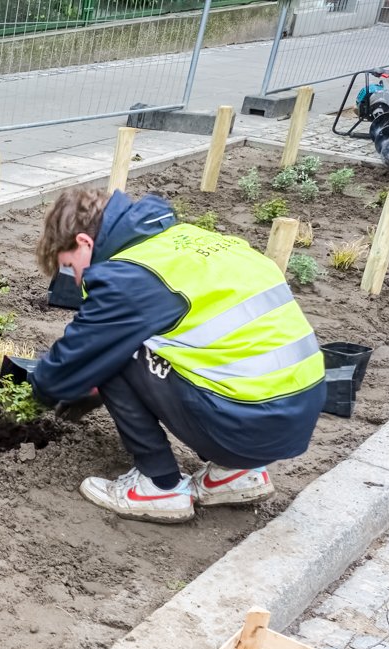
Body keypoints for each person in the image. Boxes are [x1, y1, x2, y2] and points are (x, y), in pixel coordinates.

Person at [30, 187, 325, 524]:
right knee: (147, 343)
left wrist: (40, 392)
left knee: (113, 352)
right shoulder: (183, 239)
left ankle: (158, 486)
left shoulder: (129, 276)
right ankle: (234, 474)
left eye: (70, 267)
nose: (76, 278)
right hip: (296, 413)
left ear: (84, 242)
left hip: (244, 425)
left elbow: (74, 361)